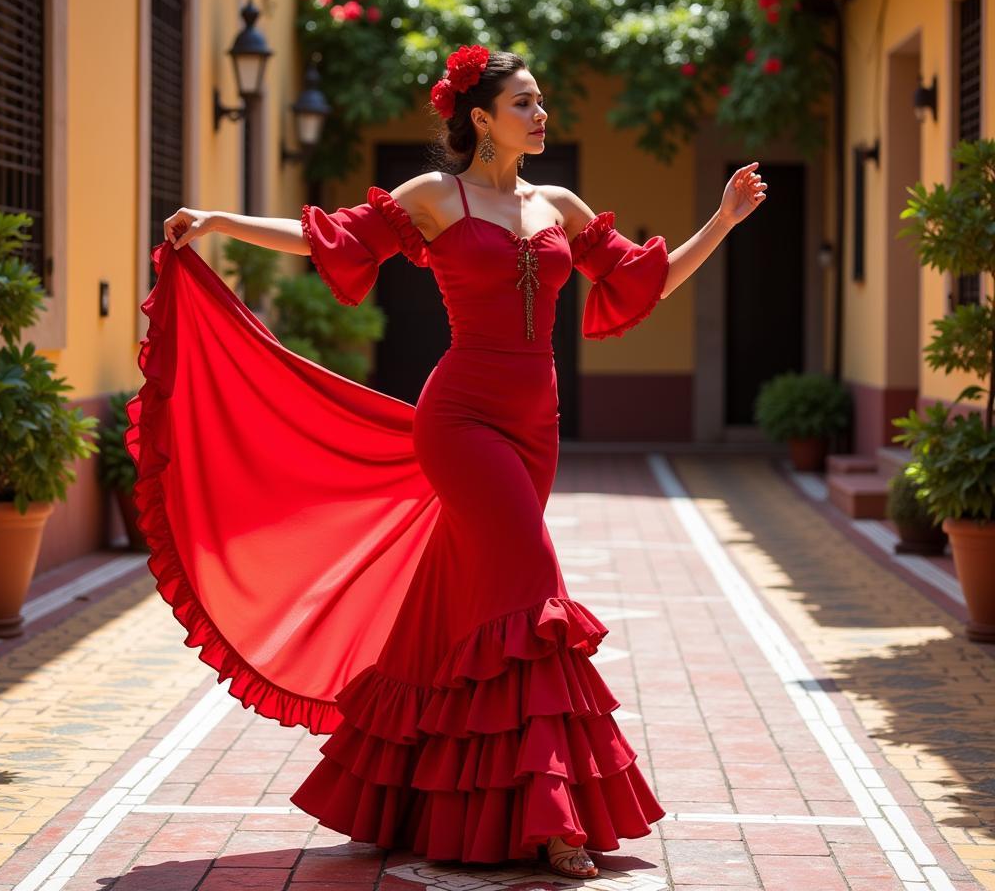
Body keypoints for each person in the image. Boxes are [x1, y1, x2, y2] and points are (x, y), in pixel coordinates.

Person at [139, 44, 767, 879]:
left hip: (534, 425)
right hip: (461, 418)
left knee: (456, 607)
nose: (541, 115)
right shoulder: (436, 195)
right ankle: (552, 819)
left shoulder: (560, 206)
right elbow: (328, 237)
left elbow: (645, 282)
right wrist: (219, 223)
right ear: (480, 119)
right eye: (525, 103)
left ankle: (393, 790)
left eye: (542, 102)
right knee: (532, 592)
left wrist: (721, 220)